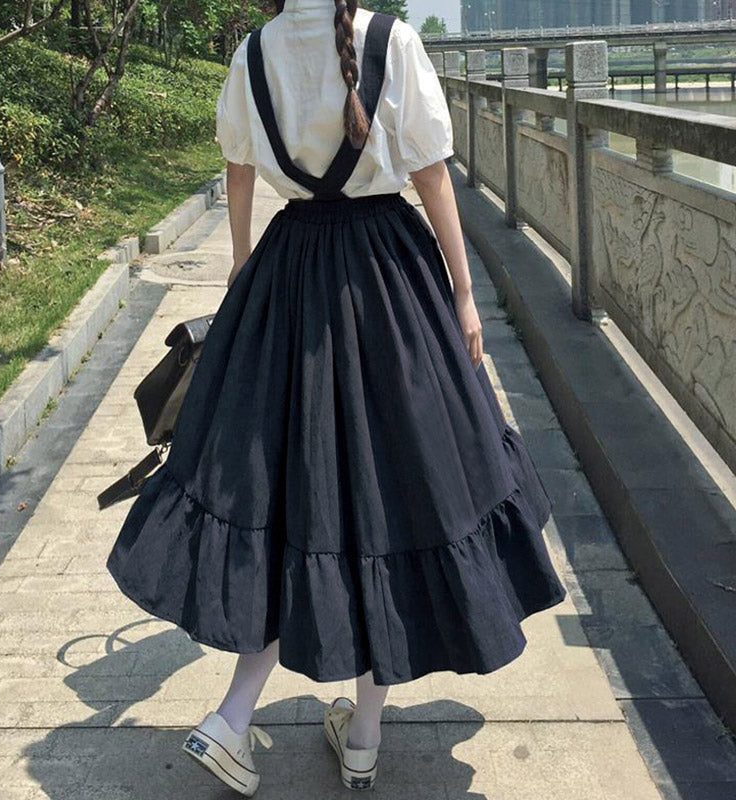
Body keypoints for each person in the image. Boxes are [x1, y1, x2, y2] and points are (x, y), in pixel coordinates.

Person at [106, 0, 568, 795]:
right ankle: (363, 737)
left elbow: (238, 170)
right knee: (396, 495)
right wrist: (463, 294)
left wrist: (244, 268)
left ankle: (233, 717)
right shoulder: (393, 40)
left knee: (291, 493)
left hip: (289, 274)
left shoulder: (254, 51)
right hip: (388, 279)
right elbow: (431, 174)